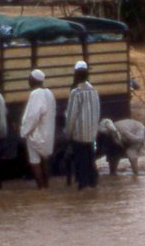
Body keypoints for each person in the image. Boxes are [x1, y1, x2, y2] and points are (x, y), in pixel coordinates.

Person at [64, 60, 101, 190]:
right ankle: (92, 185)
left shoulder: (76, 92)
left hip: (79, 135)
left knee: (81, 163)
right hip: (91, 134)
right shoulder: (94, 92)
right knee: (90, 161)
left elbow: (71, 116)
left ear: (76, 75)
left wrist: (68, 134)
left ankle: (83, 186)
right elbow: (97, 113)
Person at [19, 69, 55, 189]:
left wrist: (24, 131)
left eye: (29, 78)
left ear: (34, 80)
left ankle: (41, 188)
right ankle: (47, 187)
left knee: (35, 162)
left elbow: (33, 116)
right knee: (45, 161)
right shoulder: (49, 93)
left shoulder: (36, 94)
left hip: (36, 134)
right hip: (48, 133)